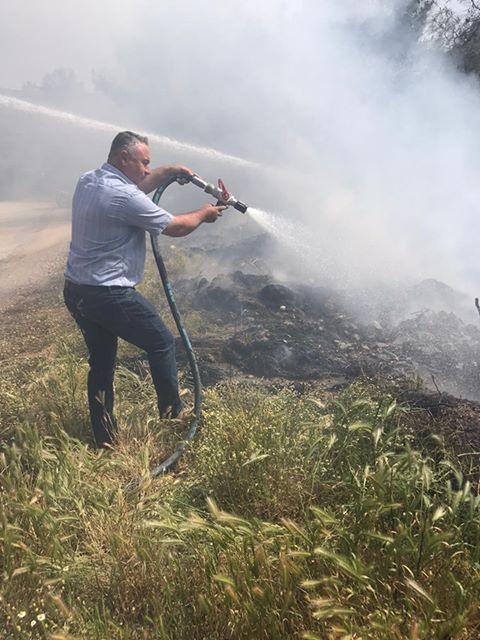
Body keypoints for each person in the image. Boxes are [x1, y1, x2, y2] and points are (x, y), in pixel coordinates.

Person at [63, 131, 225, 448]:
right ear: (124, 158)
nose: (149, 170)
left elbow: (137, 185)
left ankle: (105, 440)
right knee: (161, 341)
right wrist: (205, 214)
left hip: (77, 291)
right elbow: (176, 227)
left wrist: (171, 170)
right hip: (108, 294)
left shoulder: (90, 180)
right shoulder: (124, 197)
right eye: (145, 162)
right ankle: (173, 421)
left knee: (102, 363)